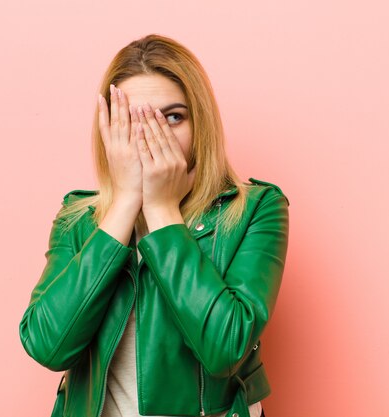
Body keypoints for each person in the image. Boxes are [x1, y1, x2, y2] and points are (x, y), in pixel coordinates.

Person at [18, 33, 290, 417]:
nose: (151, 136)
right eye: (132, 119)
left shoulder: (256, 209)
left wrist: (162, 210)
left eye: (173, 117)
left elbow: (225, 348)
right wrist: (126, 203)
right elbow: (48, 346)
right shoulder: (77, 217)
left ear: (202, 127)